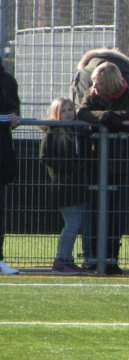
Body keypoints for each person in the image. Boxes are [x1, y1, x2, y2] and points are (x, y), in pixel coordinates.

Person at [70, 48, 129, 267]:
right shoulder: (92, 93)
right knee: (92, 210)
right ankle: (91, 257)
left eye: (98, 83)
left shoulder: (128, 92)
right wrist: (109, 117)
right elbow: (83, 112)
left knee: (115, 212)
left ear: (109, 82)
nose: (94, 87)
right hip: (93, 160)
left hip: (121, 163)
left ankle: (111, 258)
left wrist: (102, 119)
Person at [39, 98, 91, 275]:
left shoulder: (78, 131)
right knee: (72, 223)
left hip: (77, 184)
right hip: (63, 186)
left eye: (71, 109)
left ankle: (67, 259)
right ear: (56, 114)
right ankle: (60, 260)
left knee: (76, 223)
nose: (69, 113)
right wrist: (69, 167)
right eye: (64, 110)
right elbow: (46, 157)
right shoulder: (53, 133)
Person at [0, 56, 20, 275]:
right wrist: (6, 120)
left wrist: (12, 118)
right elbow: (8, 118)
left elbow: (16, 111)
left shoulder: (7, 80)